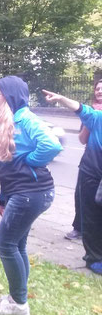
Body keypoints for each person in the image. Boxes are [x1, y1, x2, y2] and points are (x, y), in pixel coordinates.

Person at [0, 76, 62, 315]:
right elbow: (5, 168)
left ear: (8, 97)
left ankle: (19, 304)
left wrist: (30, 160)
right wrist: (3, 197)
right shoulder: (5, 121)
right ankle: (16, 297)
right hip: (22, 192)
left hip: (32, 193)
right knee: (17, 244)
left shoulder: (25, 118)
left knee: (5, 244)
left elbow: (51, 145)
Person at [43, 88, 102, 274]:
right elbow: (79, 108)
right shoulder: (97, 117)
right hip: (92, 173)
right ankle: (94, 258)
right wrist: (61, 98)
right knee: (91, 217)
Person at [66, 80, 102, 240]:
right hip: (90, 162)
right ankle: (79, 228)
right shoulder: (90, 113)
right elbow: (82, 139)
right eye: (97, 89)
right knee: (82, 196)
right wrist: (90, 122)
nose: (99, 91)